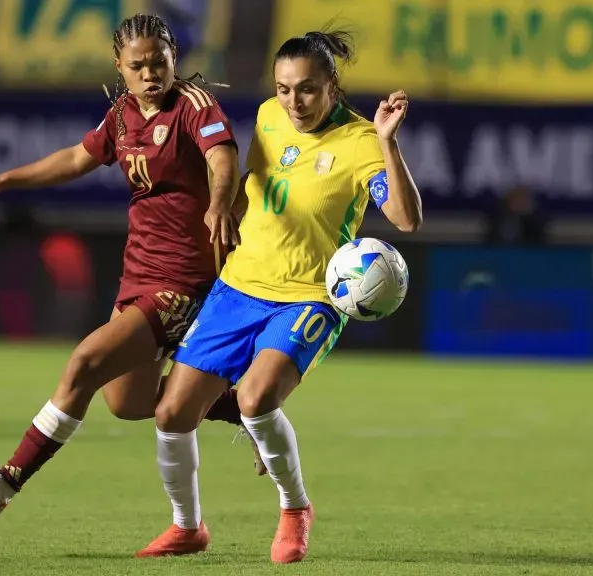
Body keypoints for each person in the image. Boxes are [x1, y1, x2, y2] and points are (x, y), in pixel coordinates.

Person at [0, 13, 258, 519]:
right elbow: (77, 158)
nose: (149, 73)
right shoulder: (121, 116)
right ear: (119, 65)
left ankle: (7, 482)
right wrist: (0, 180)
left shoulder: (193, 106)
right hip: (137, 276)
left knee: (83, 364)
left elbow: (222, 157)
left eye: (158, 62)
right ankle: (246, 406)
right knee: (129, 403)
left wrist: (220, 202)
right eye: (136, 65)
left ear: (174, 58)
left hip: (183, 281)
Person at [135, 29, 423, 562]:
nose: (294, 102)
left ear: (332, 86)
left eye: (307, 89)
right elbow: (257, 181)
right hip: (239, 288)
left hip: (308, 297)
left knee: (255, 398)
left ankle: (295, 508)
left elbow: (406, 218)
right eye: (285, 88)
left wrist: (387, 140)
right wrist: (228, 218)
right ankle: (186, 527)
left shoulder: (360, 142)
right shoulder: (269, 116)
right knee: (172, 413)